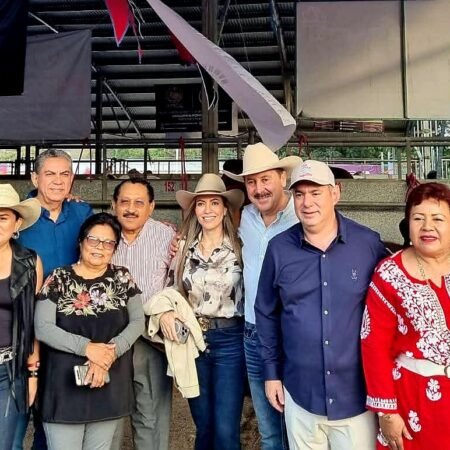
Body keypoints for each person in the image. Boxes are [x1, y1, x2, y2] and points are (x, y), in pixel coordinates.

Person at [255, 160, 387, 450]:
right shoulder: (279, 249)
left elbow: (391, 304)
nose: (307, 203)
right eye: (299, 194)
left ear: (335, 193)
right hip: (301, 392)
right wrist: (271, 373)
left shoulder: (367, 245)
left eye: (316, 193)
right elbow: (266, 312)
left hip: (355, 396)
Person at [34, 212, 144, 450]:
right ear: (81, 241)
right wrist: (87, 348)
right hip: (64, 389)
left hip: (108, 382)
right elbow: (43, 328)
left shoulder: (122, 277)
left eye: (108, 243)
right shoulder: (59, 278)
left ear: (115, 248)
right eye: (94, 240)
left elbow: (137, 322)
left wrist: (108, 355)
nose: (100, 247)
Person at [223, 142, 301, 450]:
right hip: (254, 332)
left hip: (293, 333)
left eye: (265, 179)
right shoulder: (245, 217)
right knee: (269, 432)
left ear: (283, 177)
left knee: (300, 429)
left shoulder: (303, 215)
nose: (259, 189)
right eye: (251, 182)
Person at [361, 182, 450, 450]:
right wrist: (387, 412)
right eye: (418, 218)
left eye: (438, 219)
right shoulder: (389, 275)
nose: (427, 227)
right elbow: (374, 345)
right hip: (414, 402)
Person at [14, 149, 93, 450]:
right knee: (22, 404)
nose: (58, 181)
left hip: (70, 329)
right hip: (25, 325)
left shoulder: (82, 214)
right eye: (50, 174)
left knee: (58, 406)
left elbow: (109, 241)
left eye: (65, 174)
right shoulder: (21, 218)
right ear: (35, 178)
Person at [161, 173, 245, 450]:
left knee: (226, 429)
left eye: (214, 203)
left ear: (225, 209)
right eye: (201, 203)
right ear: (194, 209)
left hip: (230, 339)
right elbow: (170, 290)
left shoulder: (240, 247)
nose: (207, 210)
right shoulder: (183, 247)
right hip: (193, 340)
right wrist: (167, 313)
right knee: (203, 424)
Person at [111, 178, 175, 450]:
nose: (131, 209)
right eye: (124, 202)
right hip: (109, 338)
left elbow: (178, 281)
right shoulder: (102, 234)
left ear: (151, 206)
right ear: (113, 205)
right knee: (107, 414)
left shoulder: (167, 236)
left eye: (139, 202)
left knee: (150, 414)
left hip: (151, 338)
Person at [0, 184, 43, 450]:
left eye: (3, 217)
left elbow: (33, 322)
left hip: (9, 369)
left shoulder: (29, 262)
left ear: (17, 223)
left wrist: (33, 373)